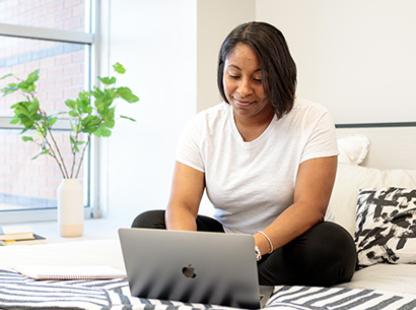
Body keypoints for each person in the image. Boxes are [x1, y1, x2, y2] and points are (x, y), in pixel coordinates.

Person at [132, 21, 357, 286]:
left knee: (332, 247)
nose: (244, 89)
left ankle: (216, 276)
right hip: (226, 240)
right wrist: (188, 252)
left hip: (287, 245)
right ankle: (221, 272)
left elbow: (310, 207)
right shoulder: (202, 126)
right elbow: (182, 204)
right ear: (222, 71)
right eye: (234, 75)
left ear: (280, 75)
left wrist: (251, 250)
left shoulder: (313, 119)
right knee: (147, 225)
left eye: (259, 79)